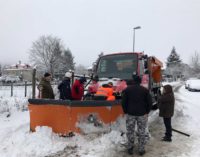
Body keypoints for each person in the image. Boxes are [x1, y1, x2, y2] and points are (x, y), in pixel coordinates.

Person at [121, 75, 152, 156]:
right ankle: (141, 150)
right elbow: (149, 102)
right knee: (142, 132)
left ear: (133, 81)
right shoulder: (145, 90)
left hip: (130, 114)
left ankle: (130, 148)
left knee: (130, 131)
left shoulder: (127, 90)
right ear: (140, 81)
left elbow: (123, 102)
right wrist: (147, 112)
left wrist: (125, 111)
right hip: (142, 114)